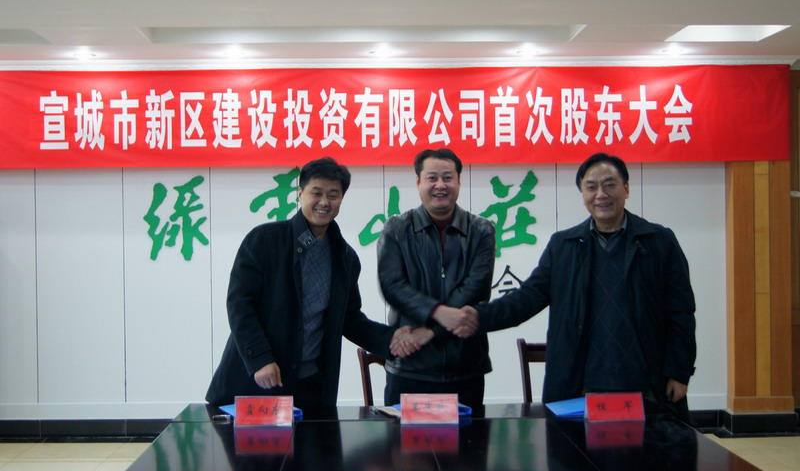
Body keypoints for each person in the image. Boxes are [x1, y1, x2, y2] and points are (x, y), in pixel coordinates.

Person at [467, 153, 696, 420]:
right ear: (582, 194)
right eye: (591, 187)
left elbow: (681, 313)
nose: (601, 194)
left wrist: (679, 372)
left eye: (609, 184)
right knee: (574, 447)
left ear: (626, 189)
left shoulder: (659, 242)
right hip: (581, 386)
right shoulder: (563, 246)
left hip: (646, 386)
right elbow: (527, 298)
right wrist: (475, 317)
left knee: (653, 447)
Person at [206, 157, 419, 409]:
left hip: (312, 387)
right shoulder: (264, 240)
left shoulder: (345, 258)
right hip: (259, 379)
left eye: (333, 195)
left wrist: (392, 340)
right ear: (300, 194)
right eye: (316, 193)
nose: (324, 202)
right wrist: (260, 359)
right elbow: (240, 305)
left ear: (341, 199)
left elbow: (350, 319)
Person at [377, 148, 496, 410]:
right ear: (418, 182)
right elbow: (393, 286)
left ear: (459, 182)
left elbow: (476, 289)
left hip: (465, 365)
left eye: (447, 178)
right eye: (432, 178)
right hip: (410, 363)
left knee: (468, 437)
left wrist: (430, 331)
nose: (440, 185)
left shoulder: (481, 230)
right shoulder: (396, 228)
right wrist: (438, 313)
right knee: (403, 437)